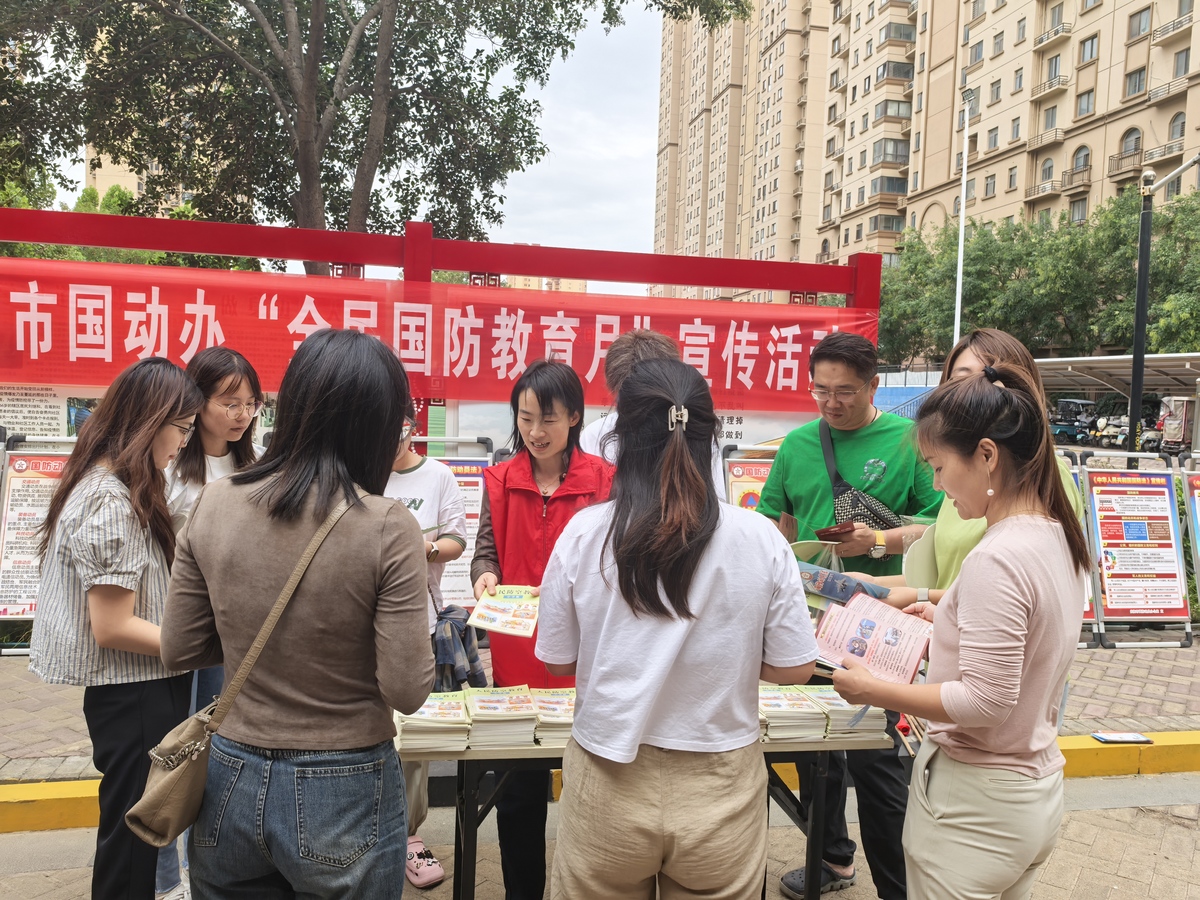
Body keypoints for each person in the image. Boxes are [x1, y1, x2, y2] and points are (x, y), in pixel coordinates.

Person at [161, 329, 435, 898]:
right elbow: (407, 688)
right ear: (377, 424)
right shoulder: (387, 525)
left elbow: (180, 647)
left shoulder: (217, 501)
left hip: (229, 774)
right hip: (347, 780)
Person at [537, 358, 819, 899]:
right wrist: (727, 657)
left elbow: (557, 659)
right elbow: (795, 667)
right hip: (721, 789)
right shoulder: (760, 539)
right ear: (710, 436)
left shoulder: (584, 534)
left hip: (608, 781)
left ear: (619, 440)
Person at [831, 362, 1090, 899]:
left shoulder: (997, 556)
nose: (936, 484)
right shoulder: (1056, 535)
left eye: (939, 466)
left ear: (987, 456)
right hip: (1032, 791)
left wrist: (871, 689)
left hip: (974, 807)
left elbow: (987, 701)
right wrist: (942, 614)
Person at [758, 331, 942, 900]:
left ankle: (899, 883)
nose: (832, 403)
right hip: (810, 618)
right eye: (821, 391)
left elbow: (939, 526)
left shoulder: (909, 440)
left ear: (873, 387)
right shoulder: (796, 447)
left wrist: (880, 538)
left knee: (879, 755)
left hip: (882, 619)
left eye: (845, 392)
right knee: (816, 748)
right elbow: (771, 519)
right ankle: (833, 858)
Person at [29, 357, 203, 900]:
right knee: (131, 842)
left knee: (133, 836)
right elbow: (112, 626)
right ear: (151, 420)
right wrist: (200, 644)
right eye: (182, 427)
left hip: (136, 689)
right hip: (135, 693)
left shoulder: (109, 481)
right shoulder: (110, 496)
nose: (183, 441)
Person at [471, 357, 614, 900]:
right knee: (518, 794)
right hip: (517, 659)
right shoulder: (501, 480)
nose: (535, 431)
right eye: (525, 418)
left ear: (574, 417)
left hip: (584, 662)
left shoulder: (605, 482)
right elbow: (485, 552)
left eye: (548, 419)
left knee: (591, 792)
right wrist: (485, 577)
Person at [854, 328, 1084, 608]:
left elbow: (1012, 596)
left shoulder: (1044, 477)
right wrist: (870, 585)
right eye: (960, 380)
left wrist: (919, 597)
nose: (971, 393)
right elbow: (945, 576)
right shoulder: (959, 479)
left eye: (986, 380)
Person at [158, 346, 265, 899]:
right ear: (196, 402)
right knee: (175, 752)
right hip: (180, 629)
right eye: (229, 401)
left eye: (250, 403)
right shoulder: (173, 467)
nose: (241, 414)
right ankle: (166, 882)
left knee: (221, 752)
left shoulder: (256, 466)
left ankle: (217, 863)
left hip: (235, 637)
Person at [384, 399, 468, 889]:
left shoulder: (437, 476)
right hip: (362, 625)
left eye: (397, 431)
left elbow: (457, 540)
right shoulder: (358, 469)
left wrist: (428, 548)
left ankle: (410, 838)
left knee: (411, 735)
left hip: (418, 622)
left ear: (412, 429)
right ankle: (374, 831)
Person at [579, 328, 727, 500]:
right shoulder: (595, 434)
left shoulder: (694, 431)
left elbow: (715, 500)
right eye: (628, 399)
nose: (639, 410)